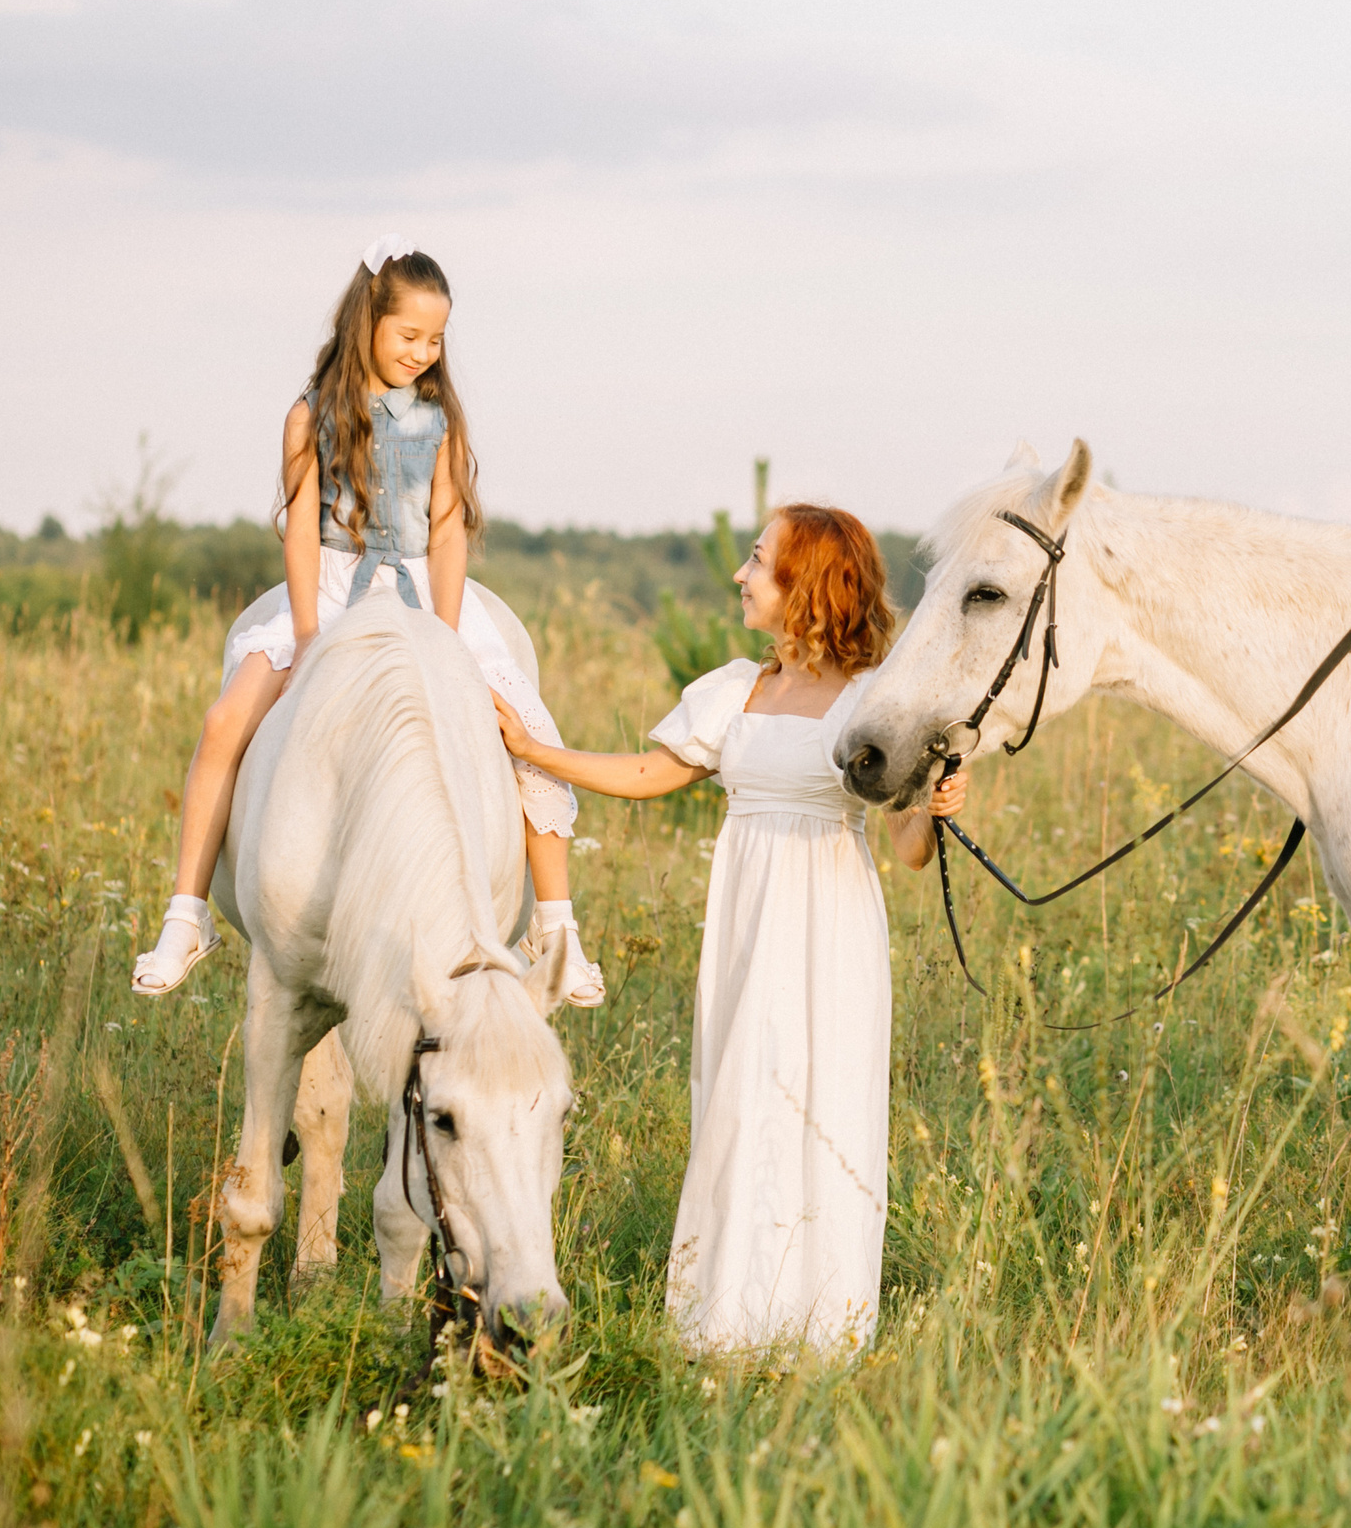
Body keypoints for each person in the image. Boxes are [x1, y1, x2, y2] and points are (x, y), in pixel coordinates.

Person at [494, 503, 966, 1357]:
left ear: (807, 584)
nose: (740, 575)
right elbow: (651, 771)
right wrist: (535, 750)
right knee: (741, 1096)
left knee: (824, 1095)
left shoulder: (874, 702)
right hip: (749, 918)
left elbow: (904, 846)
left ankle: (823, 1322)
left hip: (830, 921)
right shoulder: (736, 688)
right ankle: (725, 1317)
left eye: (758, 560)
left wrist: (932, 806)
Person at [129, 236, 603, 1008]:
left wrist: (446, 637)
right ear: (367, 324)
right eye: (409, 335)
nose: (423, 352)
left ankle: (555, 926)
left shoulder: (439, 418)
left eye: (436, 339)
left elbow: (446, 529)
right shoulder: (307, 415)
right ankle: (188, 911)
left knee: (529, 733)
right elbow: (299, 527)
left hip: (422, 589)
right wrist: (311, 631)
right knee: (225, 723)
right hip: (330, 583)